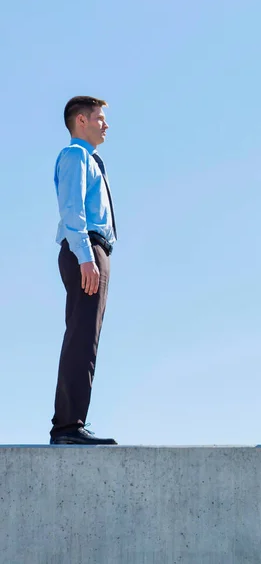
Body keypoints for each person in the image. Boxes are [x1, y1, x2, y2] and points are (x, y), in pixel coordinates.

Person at [50, 96, 118, 445]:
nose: (105, 125)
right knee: (82, 337)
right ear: (81, 121)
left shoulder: (89, 159)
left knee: (83, 335)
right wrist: (86, 257)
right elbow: (72, 208)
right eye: (99, 118)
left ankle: (69, 423)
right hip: (86, 249)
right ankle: (68, 426)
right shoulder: (76, 156)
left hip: (90, 250)